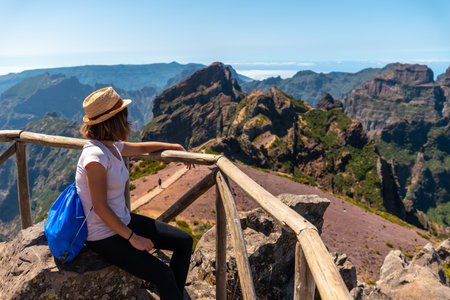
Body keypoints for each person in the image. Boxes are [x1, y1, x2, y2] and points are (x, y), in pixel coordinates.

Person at [75, 87, 193, 300]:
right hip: (103, 235)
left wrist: (174, 146)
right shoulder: (95, 156)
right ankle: (171, 293)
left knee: (184, 241)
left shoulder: (111, 146)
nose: (128, 119)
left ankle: (172, 295)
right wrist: (133, 238)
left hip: (122, 221)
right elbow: (100, 207)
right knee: (163, 274)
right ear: (115, 120)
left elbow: (139, 148)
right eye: (124, 114)